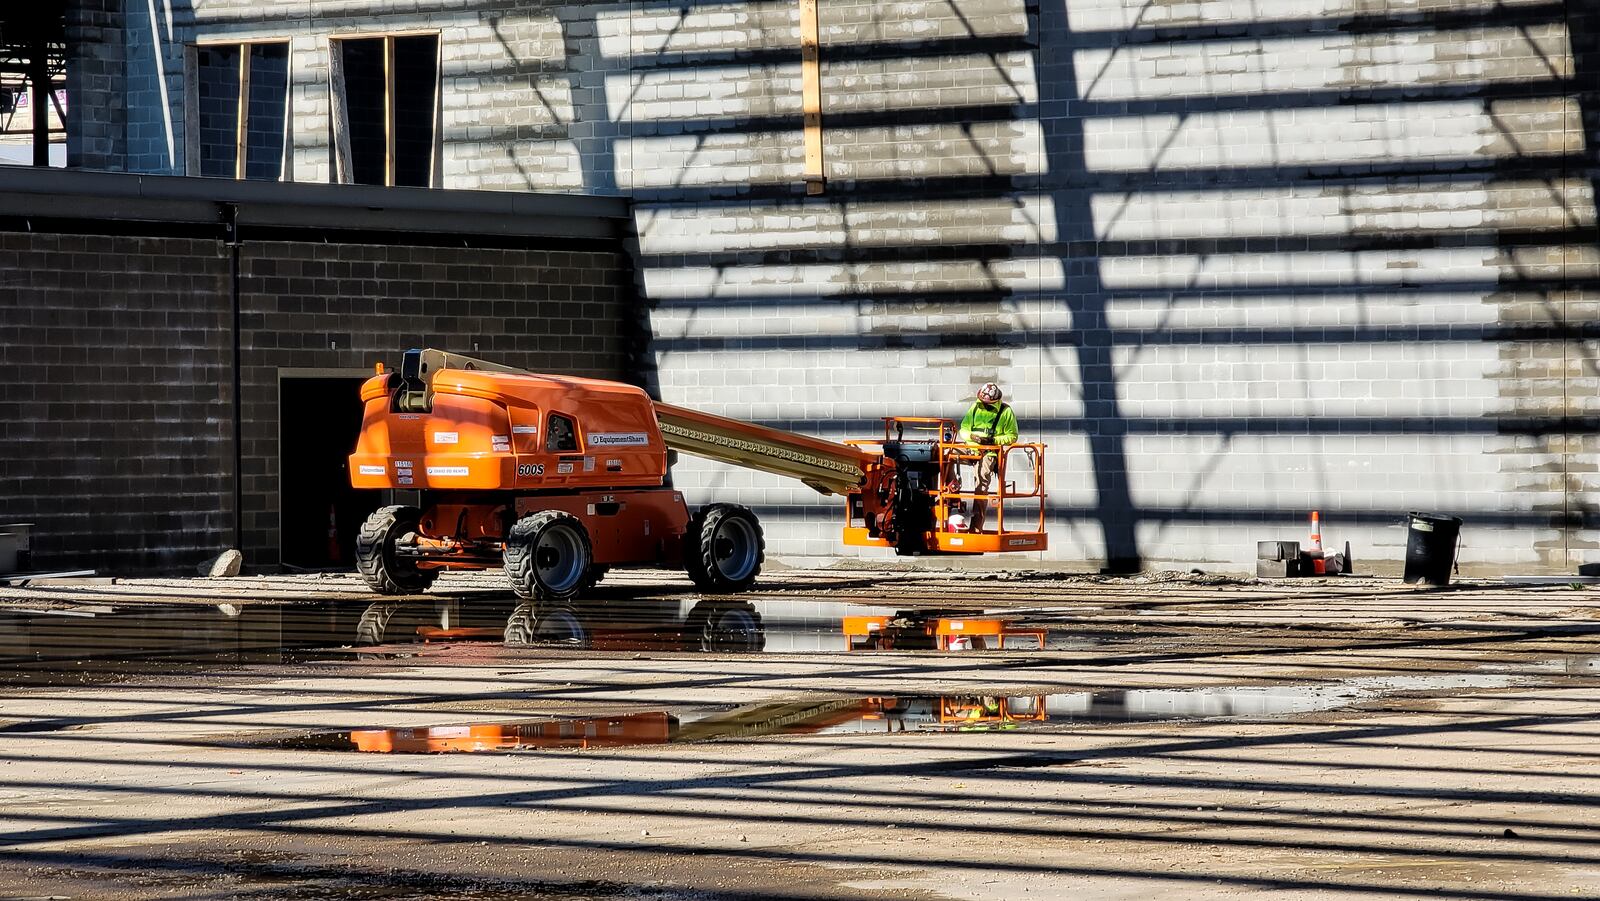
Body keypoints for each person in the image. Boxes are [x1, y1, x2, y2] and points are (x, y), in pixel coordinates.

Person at [955, 382, 1018, 532]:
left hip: (989, 453)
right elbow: (963, 428)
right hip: (971, 448)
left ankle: (976, 528)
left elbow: (1012, 436)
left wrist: (993, 441)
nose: (984, 405)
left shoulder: (1005, 412)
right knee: (945, 455)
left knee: (981, 486)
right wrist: (972, 438)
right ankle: (952, 496)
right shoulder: (975, 407)